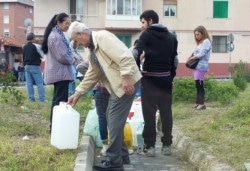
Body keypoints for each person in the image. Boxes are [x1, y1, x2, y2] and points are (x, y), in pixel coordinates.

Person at [67, 21, 142, 171]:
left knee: (113, 120)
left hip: (127, 83)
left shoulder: (102, 37)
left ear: (81, 34)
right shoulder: (92, 49)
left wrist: (126, 77)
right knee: (111, 118)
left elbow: (125, 56)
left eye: (76, 40)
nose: (77, 44)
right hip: (119, 85)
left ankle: (115, 163)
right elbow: (93, 73)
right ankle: (122, 156)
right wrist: (78, 93)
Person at [134, 9, 178, 157]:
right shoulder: (172, 37)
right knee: (166, 113)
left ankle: (150, 147)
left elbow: (136, 53)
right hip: (165, 81)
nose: (141, 26)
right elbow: (175, 61)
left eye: (143, 22)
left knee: (149, 114)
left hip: (150, 81)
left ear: (150, 21)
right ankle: (167, 146)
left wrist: (137, 71)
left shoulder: (146, 35)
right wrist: (171, 78)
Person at [41, 13, 74, 132]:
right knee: (60, 101)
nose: (68, 26)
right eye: (66, 23)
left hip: (59, 73)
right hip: (60, 73)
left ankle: (55, 126)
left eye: (69, 24)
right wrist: (73, 59)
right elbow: (63, 56)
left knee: (57, 100)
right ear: (59, 22)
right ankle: (55, 127)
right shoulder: (56, 36)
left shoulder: (56, 34)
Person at [186, 25, 211, 110]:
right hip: (197, 66)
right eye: (195, 35)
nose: (196, 36)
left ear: (203, 33)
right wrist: (190, 57)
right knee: (198, 85)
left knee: (200, 85)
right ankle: (198, 102)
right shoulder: (200, 43)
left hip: (201, 66)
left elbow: (202, 54)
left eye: (198, 34)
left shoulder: (206, 41)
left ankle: (201, 103)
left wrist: (192, 58)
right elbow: (195, 53)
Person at [22, 32, 46, 102]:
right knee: (39, 83)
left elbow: (23, 57)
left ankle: (31, 99)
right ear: (33, 38)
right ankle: (41, 99)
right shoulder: (36, 46)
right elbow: (42, 55)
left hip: (26, 66)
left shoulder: (24, 46)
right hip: (35, 65)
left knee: (29, 83)